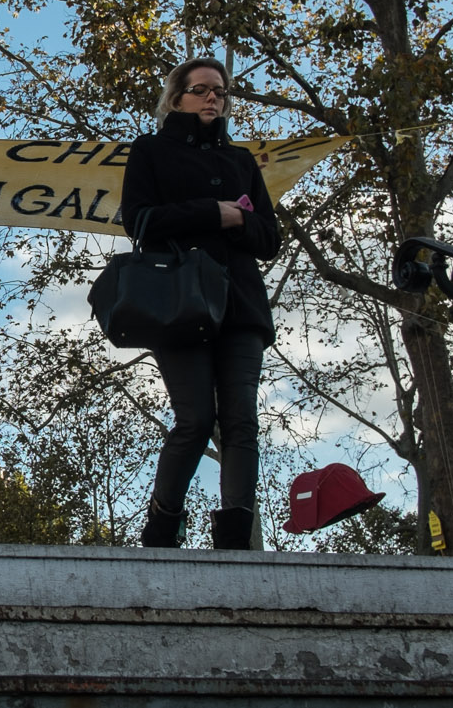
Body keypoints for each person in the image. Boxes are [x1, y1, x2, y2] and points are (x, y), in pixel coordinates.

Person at [119, 58, 280, 550]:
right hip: (180, 304)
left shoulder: (241, 161)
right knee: (193, 420)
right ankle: (162, 526)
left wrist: (239, 222)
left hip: (241, 306)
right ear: (177, 97)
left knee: (241, 421)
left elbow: (269, 238)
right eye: (202, 90)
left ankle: (234, 534)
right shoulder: (150, 150)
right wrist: (212, 213)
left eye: (221, 92)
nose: (214, 98)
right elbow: (139, 221)